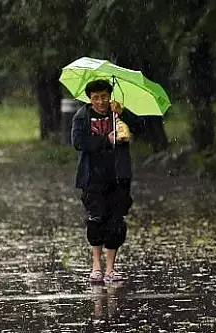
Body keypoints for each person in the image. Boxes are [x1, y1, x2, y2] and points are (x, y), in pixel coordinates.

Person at [71, 79, 139, 283]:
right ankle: (96, 266)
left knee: (116, 222)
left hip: (119, 175)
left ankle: (111, 268)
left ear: (109, 96)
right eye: (96, 98)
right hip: (92, 178)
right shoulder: (82, 116)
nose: (100, 101)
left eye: (104, 96)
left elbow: (142, 127)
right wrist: (106, 140)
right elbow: (78, 142)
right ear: (90, 99)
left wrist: (123, 114)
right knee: (97, 219)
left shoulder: (118, 113)